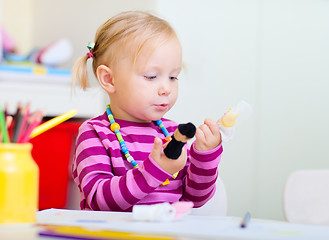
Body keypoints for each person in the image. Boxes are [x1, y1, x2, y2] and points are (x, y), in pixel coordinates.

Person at [72, 11, 223, 211]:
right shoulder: (95, 133)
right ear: (109, 79)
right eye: (151, 76)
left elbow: (194, 198)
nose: (166, 89)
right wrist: (155, 170)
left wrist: (205, 156)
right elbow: (100, 200)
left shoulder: (171, 133)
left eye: (173, 77)